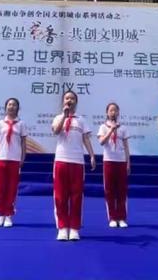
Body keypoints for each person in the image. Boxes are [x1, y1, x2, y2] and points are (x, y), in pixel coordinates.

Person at [52, 91, 96, 241]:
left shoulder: (81, 120)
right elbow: (56, 131)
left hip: (77, 161)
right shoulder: (58, 117)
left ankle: (74, 227)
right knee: (60, 196)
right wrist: (64, 116)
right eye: (67, 98)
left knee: (76, 196)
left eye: (72, 98)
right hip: (61, 160)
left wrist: (91, 155)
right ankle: (63, 227)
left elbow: (86, 139)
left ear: (76, 102)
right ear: (63, 101)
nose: (69, 100)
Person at [0, 98, 27, 228]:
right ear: (5, 107)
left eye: (14, 105)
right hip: (1, 158)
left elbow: (24, 143)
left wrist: (23, 157)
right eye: (9, 104)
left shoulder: (21, 124)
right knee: (0, 187)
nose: (11, 107)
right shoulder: (0, 123)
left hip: (14, 159)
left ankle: (8, 215)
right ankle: (0, 214)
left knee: (12, 188)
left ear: (18, 108)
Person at [97, 102, 130, 228]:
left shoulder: (123, 128)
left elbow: (126, 147)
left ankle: (121, 217)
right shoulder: (103, 127)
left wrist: (128, 163)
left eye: (116, 110)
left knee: (122, 190)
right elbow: (101, 142)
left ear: (118, 112)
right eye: (111, 110)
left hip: (121, 161)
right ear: (107, 113)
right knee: (109, 190)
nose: (113, 112)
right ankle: (112, 217)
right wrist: (111, 130)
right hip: (109, 161)